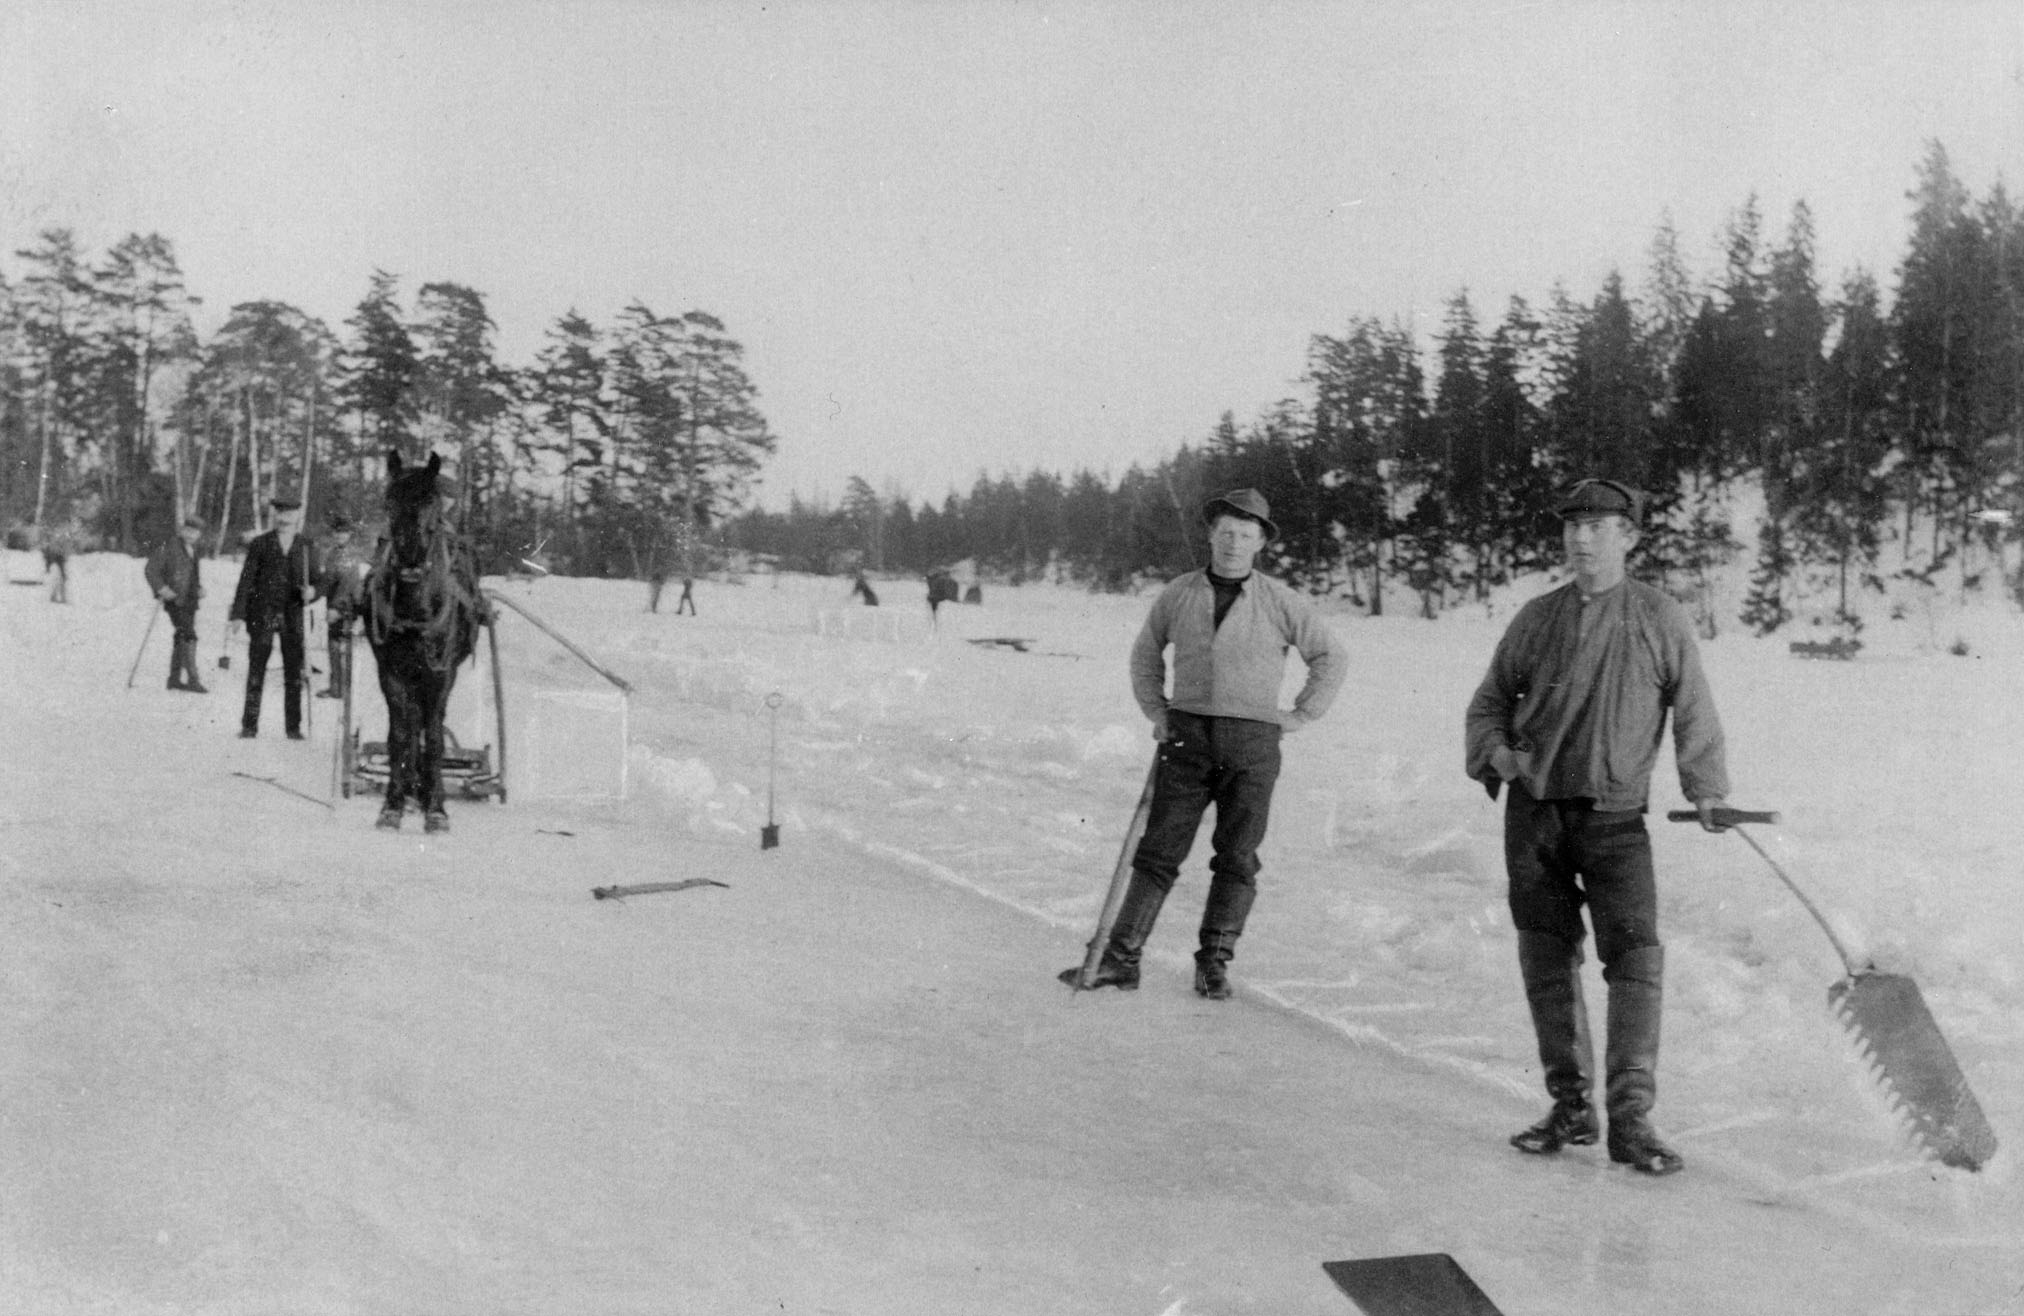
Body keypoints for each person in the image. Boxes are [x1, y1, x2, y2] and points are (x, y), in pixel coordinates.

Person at [1464, 477, 1730, 1177]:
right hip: (1535, 818)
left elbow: (1694, 709)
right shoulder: (1535, 617)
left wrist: (1705, 788)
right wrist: (1498, 755)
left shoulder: (1659, 617)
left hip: (1615, 821)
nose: (1582, 538)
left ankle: (1632, 1120)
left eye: (1599, 526)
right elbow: (1488, 703)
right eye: (1572, 526)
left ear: (1629, 537)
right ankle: (1571, 1105)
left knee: (1636, 959)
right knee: (1547, 960)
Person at [1061, 488, 1346, 999]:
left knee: (1237, 857)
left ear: (1261, 543)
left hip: (1253, 743)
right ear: (1211, 536)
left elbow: (1329, 657)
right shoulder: (1178, 594)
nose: (1234, 543)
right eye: (1225, 533)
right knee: (1157, 852)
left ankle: (1214, 964)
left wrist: (1300, 715)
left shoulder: (1281, 600)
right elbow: (1145, 656)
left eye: (1246, 535)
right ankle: (1121, 959)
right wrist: (1157, 711)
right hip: (1187, 736)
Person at [229, 498, 321, 739]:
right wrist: (238, 614)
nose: (284, 519)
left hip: (292, 616)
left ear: (297, 517)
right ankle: (249, 725)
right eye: (280, 513)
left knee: (294, 674)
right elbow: (246, 580)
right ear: (275, 516)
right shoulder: (260, 544)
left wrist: (313, 592)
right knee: (257, 669)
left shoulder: (307, 546)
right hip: (263, 614)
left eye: (289, 514)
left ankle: (293, 728)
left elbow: (318, 580)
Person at [144, 515, 208, 693]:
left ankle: (174, 679)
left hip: (190, 601)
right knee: (189, 635)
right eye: (187, 530)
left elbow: (192, 575)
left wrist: (199, 588)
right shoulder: (169, 546)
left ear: (199, 535)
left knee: (181, 636)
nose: (190, 535)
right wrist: (162, 589)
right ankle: (194, 680)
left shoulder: (193, 550)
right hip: (175, 600)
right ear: (181, 530)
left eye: (194, 532)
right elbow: (151, 569)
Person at [317, 513, 368, 700]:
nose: (339, 536)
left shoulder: (349, 555)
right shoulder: (333, 553)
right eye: (337, 533)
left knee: (339, 647)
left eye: (343, 533)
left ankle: (342, 689)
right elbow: (329, 580)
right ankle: (336, 686)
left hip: (345, 607)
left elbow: (347, 584)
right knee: (334, 647)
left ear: (349, 535)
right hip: (333, 605)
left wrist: (336, 608)